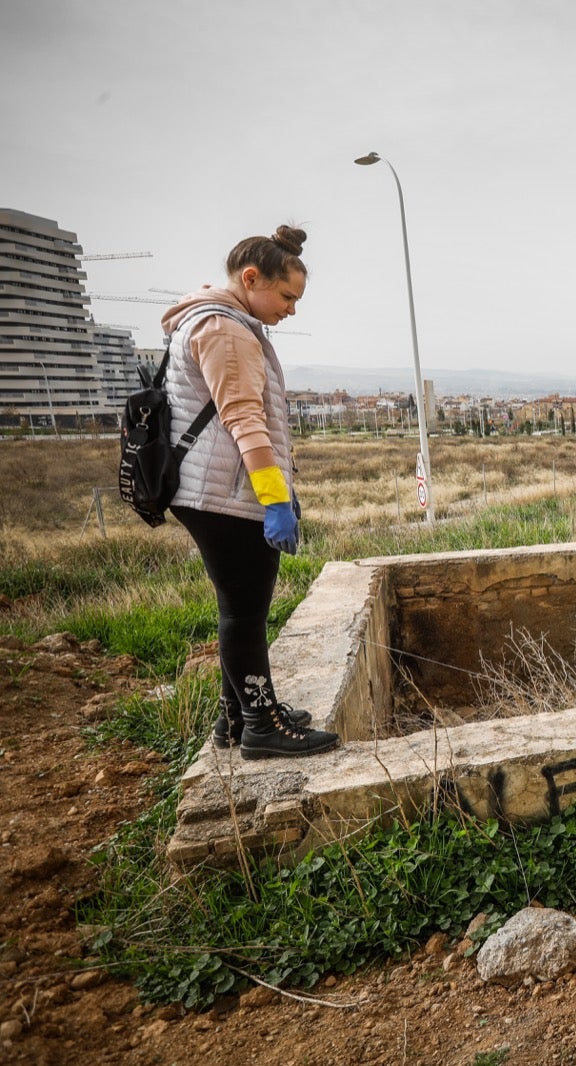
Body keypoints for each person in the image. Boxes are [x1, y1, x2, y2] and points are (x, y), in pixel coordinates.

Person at [160, 225, 339, 760]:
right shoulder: (225, 330)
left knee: (238, 609)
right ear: (252, 277)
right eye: (286, 296)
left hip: (214, 489)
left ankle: (235, 718)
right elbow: (246, 422)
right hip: (226, 493)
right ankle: (261, 724)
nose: (291, 309)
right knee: (245, 612)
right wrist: (274, 499)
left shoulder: (217, 320)